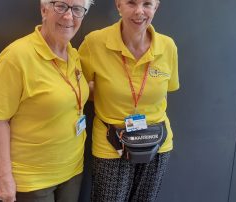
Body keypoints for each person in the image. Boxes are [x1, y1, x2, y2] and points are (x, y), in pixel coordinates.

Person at [0, 0, 93, 201]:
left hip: (73, 168)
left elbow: (68, 95)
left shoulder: (73, 54)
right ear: (44, 9)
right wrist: (3, 176)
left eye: (77, 9)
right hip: (34, 178)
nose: (69, 16)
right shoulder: (16, 57)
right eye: (61, 6)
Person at [79, 0, 179, 201]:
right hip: (111, 143)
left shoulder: (167, 46)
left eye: (147, 4)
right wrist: (105, 93)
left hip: (157, 142)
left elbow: (167, 89)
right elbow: (76, 89)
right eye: (131, 3)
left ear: (156, 7)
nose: (139, 11)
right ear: (118, 5)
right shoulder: (95, 42)